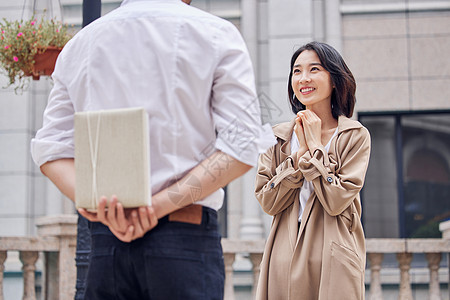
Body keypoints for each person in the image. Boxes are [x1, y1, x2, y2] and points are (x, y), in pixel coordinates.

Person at [30, 0, 275, 299]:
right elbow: (241, 146)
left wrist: (106, 208)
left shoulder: (82, 42)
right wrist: (157, 206)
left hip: (108, 240)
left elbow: (50, 149)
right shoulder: (215, 33)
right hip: (185, 236)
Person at [254, 41, 371, 300]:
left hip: (333, 249)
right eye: (297, 71)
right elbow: (267, 200)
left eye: (314, 69)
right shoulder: (277, 138)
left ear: (334, 80)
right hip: (283, 247)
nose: (304, 78)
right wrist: (297, 159)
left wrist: (316, 148)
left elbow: (337, 199)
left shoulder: (353, 135)